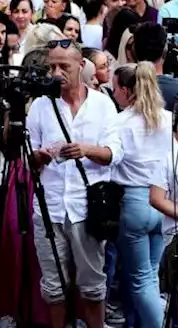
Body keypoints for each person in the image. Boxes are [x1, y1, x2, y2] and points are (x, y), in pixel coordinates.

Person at [28, 38, 118, 328]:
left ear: (81, 66)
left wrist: (86, 149)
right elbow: (28, 160)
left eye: (63, 66)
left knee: (92, 287)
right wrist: (39, 157)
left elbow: (114, 154)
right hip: (50, 208)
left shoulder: (103, 105)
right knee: (54, 288)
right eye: (51, 66)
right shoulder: (41, 105)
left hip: (86, 209)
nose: (56, 72)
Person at [106, 62, 173, 328]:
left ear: (126, 90)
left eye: (115, 89)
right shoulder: (168, 118)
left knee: (140, 278)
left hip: (134, 201)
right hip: (164, 201)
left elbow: (111, 159)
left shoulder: (120, 122)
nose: (113, 95)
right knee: (151, 275)